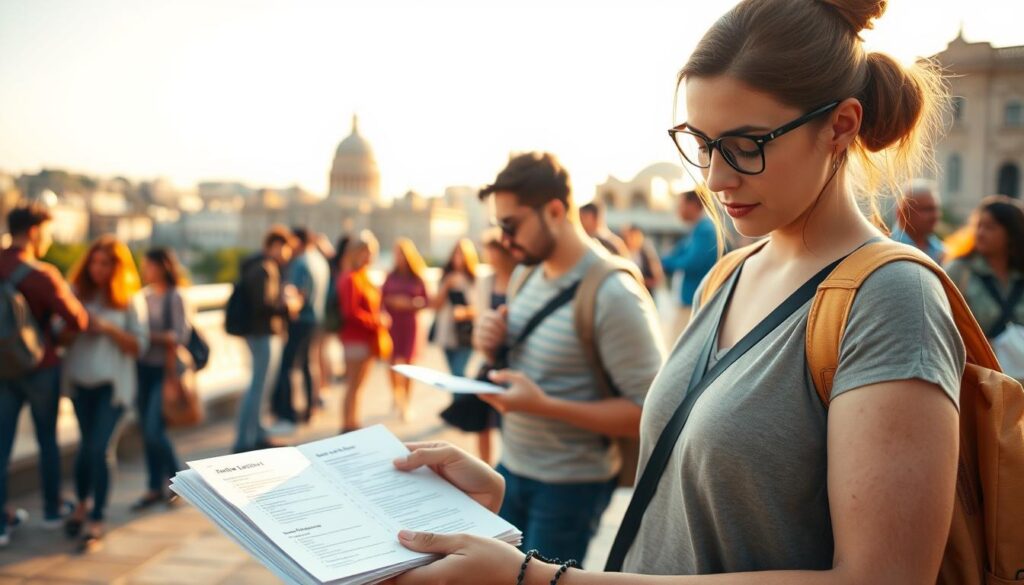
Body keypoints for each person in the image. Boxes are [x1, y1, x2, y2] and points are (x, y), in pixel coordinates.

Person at [386, 0, 966, 582]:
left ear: (840, 125)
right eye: (701, 142)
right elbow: (687, 506)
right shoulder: (729, 273)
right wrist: (495, 505)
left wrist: (537, 578)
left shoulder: (892, 296)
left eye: (745, 146)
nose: (715, 177)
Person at [470, 152, 666, 563]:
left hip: (569, 484)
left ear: (555, 211)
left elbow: (648, 412)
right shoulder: (527, 272)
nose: (505, 240)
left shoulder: (613, 293)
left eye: (511, 225)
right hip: (512, 467)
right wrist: (492, 344)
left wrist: (543, 406)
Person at [0, 203, 87, 548]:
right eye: (48, 232)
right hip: (40, 367)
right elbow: (78, 320)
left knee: (0, 445)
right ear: (35, 231)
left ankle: (2, 524)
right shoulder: (42, 274)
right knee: (47, 441)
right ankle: (52, 510)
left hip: (2, 369)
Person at [61, 236, 148, 550]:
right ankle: (81, 504)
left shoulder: (129, 299)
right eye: (95, 262)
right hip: (80, 382)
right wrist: (76, 327)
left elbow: (139, 346)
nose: (99, 269)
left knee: (100, 448)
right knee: (86, 448)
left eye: (106, 264)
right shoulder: (76, 293)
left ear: (118, 267)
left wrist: (108, 329)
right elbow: (59, 338)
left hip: (113, 386)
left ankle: (97, 516)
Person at [441, 230, 517, 463]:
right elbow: (480, 316)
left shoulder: (519, 278)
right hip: (488, 355)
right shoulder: (487, 280)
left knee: (507, 419)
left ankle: (507, 462)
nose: (490, 256)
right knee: (482, 418)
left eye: (493, 251)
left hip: (514, 357)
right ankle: (486, 466)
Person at [233, 226, 302, 453]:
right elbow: (263, 305)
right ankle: (245, 440)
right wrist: (288, 305)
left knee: (261, 387)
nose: (287, 255)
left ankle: (257, 433)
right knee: (258, 387)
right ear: (274, 246)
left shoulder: (261, 266)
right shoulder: (264, 269)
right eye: (285, 249)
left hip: (261, 333)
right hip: (262, 334)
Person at [132, 248, 190, 512]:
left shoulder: (175, 297)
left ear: (163, 267)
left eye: (150, 265)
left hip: (164, 371)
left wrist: (147, 337)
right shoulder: (143, 296)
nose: (146, 270)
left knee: (155, 430)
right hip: (141, 368)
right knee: (147, 430)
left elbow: (179, 335)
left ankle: (177, 480)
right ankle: (154, 486)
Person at [271, 227, 331, 429]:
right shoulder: (319, 260)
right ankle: (311, 406)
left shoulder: (300, 263)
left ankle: (287, 415)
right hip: (317, 319)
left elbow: (297, 295)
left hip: (301, 320)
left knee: (287, 366)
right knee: (308, 364)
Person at [945, 196, 1024, 338]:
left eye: (990, 228)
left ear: (1012, 234)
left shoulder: (1020, 273)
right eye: (979, 226)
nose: (980, 233)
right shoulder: (958, 271)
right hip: (974, 360)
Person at [337, 230, 390, 432]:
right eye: (366, 252)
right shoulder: (350, 278)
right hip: (355, 338)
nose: (369, 257)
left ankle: (353, 422)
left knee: (359, 385)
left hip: (367, 338)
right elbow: (350, 312)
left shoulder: (364, 276)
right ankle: (347, 425)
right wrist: (376, 321)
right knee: (353, 385)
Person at [382, 238, 430, 422]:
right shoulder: (390, 276)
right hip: (393, 324)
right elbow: (381, 298)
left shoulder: (418, 277)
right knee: (392, 363)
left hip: (410, 324)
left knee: (409, 364)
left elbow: (427, 301)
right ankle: (397, 395)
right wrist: (392, 302)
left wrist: (410, 303)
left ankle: (407, 402)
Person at [661, 190, 719, 338]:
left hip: (693, 303)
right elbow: (675, 255)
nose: (678, 210)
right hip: (687, 303)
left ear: (693, 205)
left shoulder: (705, 230)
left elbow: (692, 262)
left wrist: (667, 264)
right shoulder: (696, 230)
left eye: (681, 205)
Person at [430, 239, 479, 378]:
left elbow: (481, 307)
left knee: (458, 373)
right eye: (455, 254)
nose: (458, 258)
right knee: (453, 375)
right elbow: (435, 305)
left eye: (461, 254)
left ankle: (461, 400)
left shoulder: (474, 279)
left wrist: (465, 312)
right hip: (447, 332)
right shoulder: (445, 277)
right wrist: (446, 285)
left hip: (466, 333)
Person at [892, 180, 945, 262]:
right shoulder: (890, 250)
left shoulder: (941, 252)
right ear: (903, 212)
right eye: (927, 209)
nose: (935, 215)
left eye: (936, 209)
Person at [623, 224, 665, 293]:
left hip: (644, 293)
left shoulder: (647, 254)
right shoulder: (621, 251)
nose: (632, 240)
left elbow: (657, 278)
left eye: (634, 237)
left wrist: (640, 282)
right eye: (630, 236)